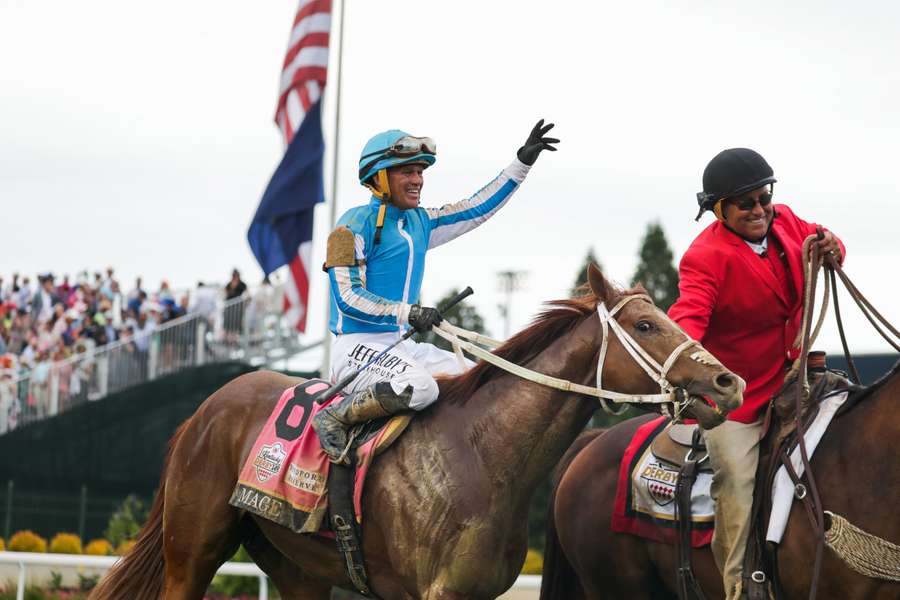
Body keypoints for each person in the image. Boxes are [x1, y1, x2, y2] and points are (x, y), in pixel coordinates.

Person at [313, 120, 559, 463]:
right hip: (355, 348)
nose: (418, 181)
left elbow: (475, 209)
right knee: (425, 388)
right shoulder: (350, 227)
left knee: (480, 382)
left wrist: (521, 164)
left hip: (402, 348)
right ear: (380, 178)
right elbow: (348, 299)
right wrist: (408, 312)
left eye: (420, 172)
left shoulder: (421, 222)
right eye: (407, 173)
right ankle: (336, 416)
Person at [668, 148, 845, 599]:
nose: (759, 209)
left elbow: (829, 241)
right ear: (719, 210)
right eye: (745, 202)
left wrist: (831, 247)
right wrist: (688, 371)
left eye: (763, 196)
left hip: (797, 373)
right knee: (736, 480)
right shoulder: (704, 257)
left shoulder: (785, 219)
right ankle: (737, 586)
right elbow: (688, 320)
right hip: (740, 399)